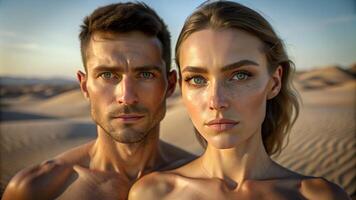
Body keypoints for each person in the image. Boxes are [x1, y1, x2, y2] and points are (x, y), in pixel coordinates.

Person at [129, 1, 350, 199]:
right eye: (197, 79)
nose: (216, 101)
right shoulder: (153, 194)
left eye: (240, 75)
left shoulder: (319, 196)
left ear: (274, 82)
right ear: (181, 88)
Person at [2, 2, 194, 200]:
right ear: (84, 86)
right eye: (107, 75)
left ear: (170, 85)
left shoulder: (207, 185)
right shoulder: (36, 189)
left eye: (145, 74)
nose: (126, 97)